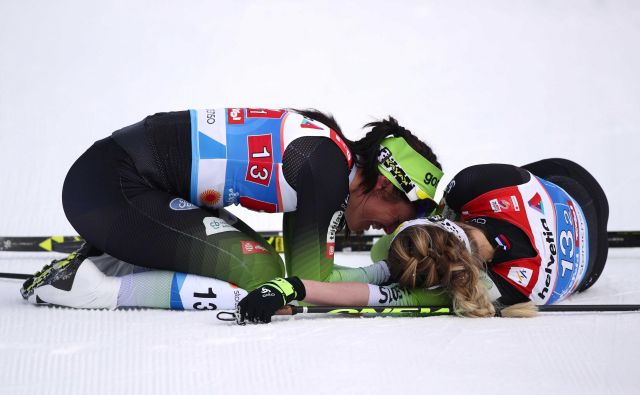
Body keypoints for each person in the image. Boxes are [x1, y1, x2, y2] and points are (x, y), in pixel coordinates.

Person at [21, 108, 444, 311]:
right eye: (400, 220)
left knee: (266, 268)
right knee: (263, 276)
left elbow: (304, 275)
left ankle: (108, 259)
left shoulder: (328, 154)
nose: (386, 230)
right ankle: (95, 288)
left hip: (110, 183)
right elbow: (310, 289)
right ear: (388, 187)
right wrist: (389, 279)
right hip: (112, 190)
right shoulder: (327, 171)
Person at [234, 158, 608, 322]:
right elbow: (372, 292)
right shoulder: (479, 186)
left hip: (583, 226)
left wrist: (293, 286)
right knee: (389, 253)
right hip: (573, 184)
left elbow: (367, 288)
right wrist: (293, 287)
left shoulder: (484, 286)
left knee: (384, 252)